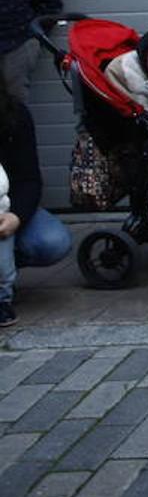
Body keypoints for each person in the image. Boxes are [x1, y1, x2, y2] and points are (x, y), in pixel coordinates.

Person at [0, 81, 73, 326]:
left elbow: (29, 180)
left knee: (51, 241)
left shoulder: (14, 115)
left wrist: (15, 217)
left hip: (4, 207)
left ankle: (3, 295)